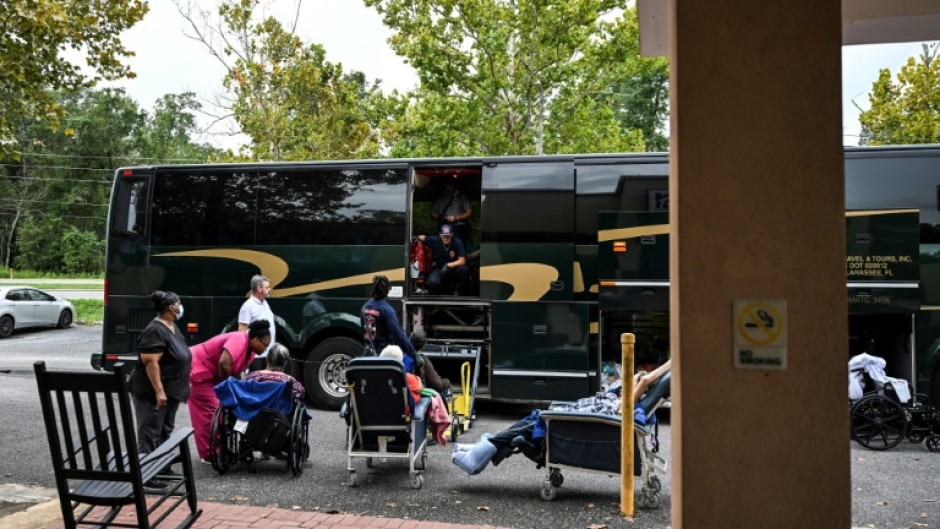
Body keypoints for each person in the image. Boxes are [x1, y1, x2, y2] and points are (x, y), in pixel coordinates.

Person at [452, 360, 672, 475]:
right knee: (519, 430)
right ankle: (480, 449)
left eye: (632, 385)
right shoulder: (620, 395)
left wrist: (673, 360)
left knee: (525, 426)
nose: (628, 384)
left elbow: (645, 381)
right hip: (568, 415)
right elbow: (638, 379)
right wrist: (637, 379)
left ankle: (476, 457)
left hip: (567, 420)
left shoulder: (626, 404)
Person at [128, 290, 192, 490]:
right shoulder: (155, 330)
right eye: (179, 303)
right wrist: (159, 392)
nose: (181, 306)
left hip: (172, 390)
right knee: (149, 431)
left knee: (164, 430)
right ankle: (146, 475)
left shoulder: (171, 326)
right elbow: (151, 363)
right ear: (172, 307)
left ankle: (161, 467)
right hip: (152, 392)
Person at [188, 320, 272, 463]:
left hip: (213, 375)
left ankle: (220, 448)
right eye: (264, 344)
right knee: (211, 411)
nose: (265, 349)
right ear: (255, 339)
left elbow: (236, 372)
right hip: (199, 369)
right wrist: (228, 387)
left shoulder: (250, 352)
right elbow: (224, 362)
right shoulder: (239, 338)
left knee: (226, 410)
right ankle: (209, 454)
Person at [360, 275, 417, 372]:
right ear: (387, 292)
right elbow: (399, 336)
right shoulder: (387, 310)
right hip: (384, 355)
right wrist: (413, 354)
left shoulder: (364, 307)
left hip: (368, 353)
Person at [417, 224, 469, 295]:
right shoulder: (434, 240)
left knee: (464, 269)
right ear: (440, 235)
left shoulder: (457, 242)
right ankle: (441, 293)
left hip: (454, 269)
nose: (446, 238)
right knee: (432, 281)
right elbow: (421, 237)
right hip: (440, 269)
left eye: (448, 236)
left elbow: (462, 260)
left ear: (452, 235)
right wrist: (416, 238)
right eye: (444, 236)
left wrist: (448, 265)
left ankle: (457, 291)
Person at [239, 274, 276, 371]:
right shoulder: (248, 306)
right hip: (255, 357)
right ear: (260, 289)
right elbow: (242, 332)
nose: (269, 289)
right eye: (267, 287)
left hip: (267, 355)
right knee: (255, 383)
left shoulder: (265, 303)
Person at [431, 175, 472, 243]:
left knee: (459, 247)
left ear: (455, 186)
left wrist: (456, 218)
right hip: (443, 228)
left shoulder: (462, 197)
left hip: (458, 228)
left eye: (451, 184)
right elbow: (432, 213)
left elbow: (469, 212)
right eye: (447, 184)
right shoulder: (439, 198)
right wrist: (440, 217)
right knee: (443, 248)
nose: (449, 187)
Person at [409, 330, 451, 394]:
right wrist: (446, 382)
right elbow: (437, 385)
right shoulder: (422, 359)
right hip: (418, 393)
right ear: (423, 346)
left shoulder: (402, 356)